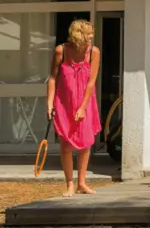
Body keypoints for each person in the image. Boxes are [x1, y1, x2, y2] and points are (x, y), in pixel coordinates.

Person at [47, 19, 102, 197]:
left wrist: (83, 107)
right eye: (89, 34)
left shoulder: (94, 52)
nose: (92, 37)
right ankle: (70, 184)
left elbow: (91, 82)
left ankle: (82, 183)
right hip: (64, 103)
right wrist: (49, 103)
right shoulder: (61, 51)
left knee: (85, 144)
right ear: (79, 34)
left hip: (85, 102)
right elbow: (53, 78)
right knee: (65, 145)